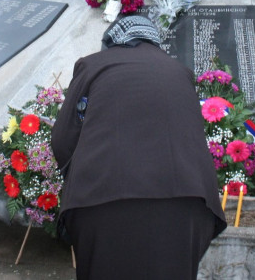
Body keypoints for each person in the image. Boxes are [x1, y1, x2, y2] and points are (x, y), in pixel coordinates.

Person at [51, 16, 227, 279]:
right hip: (187, 204)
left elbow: (63, 139)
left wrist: (79, 178)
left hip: (102, 201)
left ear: (111, 43)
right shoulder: (180, 71)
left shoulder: (93, 65)